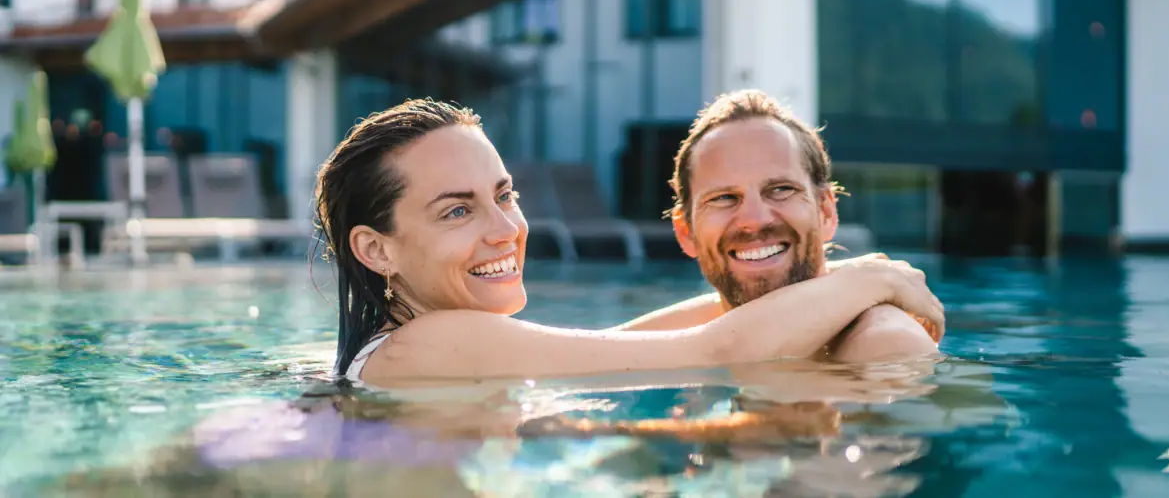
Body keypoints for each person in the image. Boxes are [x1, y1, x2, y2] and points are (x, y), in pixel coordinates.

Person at [314, 98, 943, 387]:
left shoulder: (435, 344)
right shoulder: (427, 341)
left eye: (505, 195)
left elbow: (630, 347)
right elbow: (711, 350)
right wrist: (873, 279)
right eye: (457, 211)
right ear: (376, 250)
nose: (506, 229)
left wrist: (840, 295)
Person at [615, 89, 940, 363]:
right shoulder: (703, 335)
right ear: (686, 233)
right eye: (724, 197)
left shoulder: (884, 345)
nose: (754, 220)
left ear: (826, 212)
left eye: (781, 190)